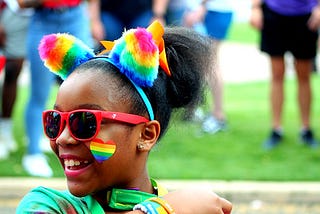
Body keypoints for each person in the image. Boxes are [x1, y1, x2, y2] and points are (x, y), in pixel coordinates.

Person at [16, 21, 232, 213]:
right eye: (55, 121)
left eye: (84, 122)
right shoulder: (47, 205)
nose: (62, 138)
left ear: (146, 135)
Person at [17, 0, 104, 177]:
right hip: (44, 20)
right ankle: (33, 153)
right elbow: (22, 3)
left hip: (77, 17)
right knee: (39, 93)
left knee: (87, 90)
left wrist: (94, 19)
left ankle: (87, 147)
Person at [250, 0, 320, 149]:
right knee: (276, 76)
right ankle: (276, 130)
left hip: (306, 16)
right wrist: (255, 8)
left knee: (304, 77)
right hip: (274, 14)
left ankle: (306, 130)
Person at [183, 0, 233, 134]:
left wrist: (201, 6)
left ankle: (218, 115)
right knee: (200, 62)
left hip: (213, 11)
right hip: (210, 10)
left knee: (211, 63)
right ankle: (195, 110)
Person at [0, 0, 32, 160]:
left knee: (46, 75)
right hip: (12, 10)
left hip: (43, 16)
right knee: (12, 71)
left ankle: (37, 134)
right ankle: (4, 132)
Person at [99, 0, 169, 42]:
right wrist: (94, 21)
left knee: (144, 38)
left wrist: (158, 16)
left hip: (141, 12)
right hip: (110, 12)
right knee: (110, 37)